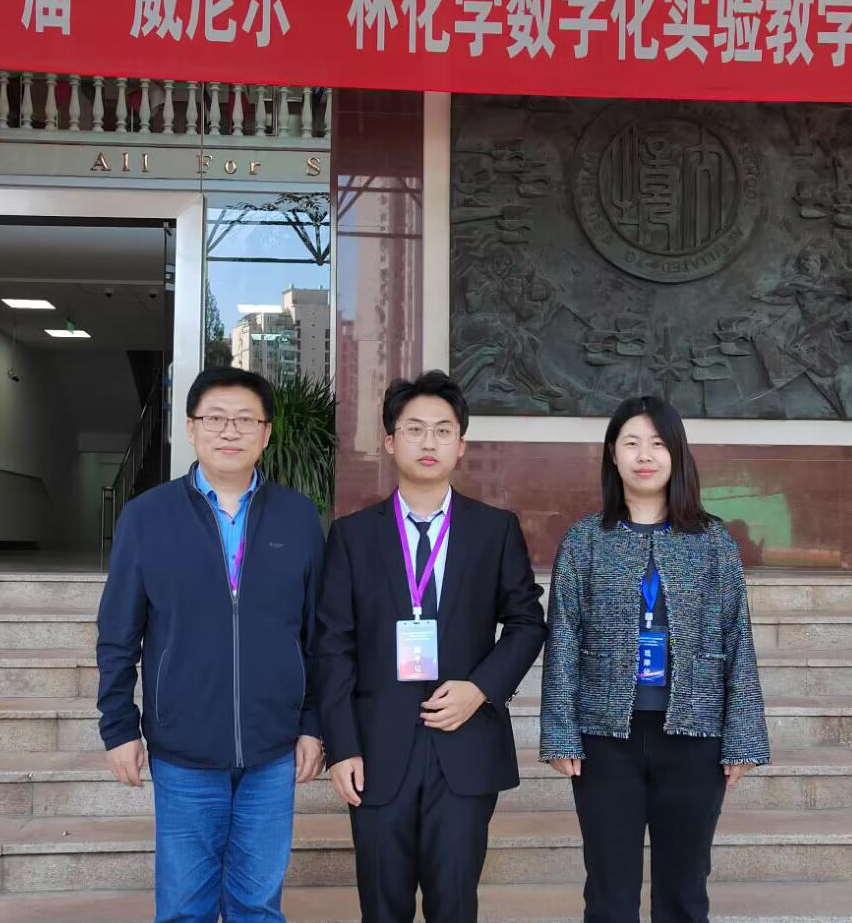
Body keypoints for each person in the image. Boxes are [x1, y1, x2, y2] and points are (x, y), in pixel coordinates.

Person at [95, 366, 326, 923]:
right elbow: (119, 633)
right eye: (215, 418)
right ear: (191, 428)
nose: (229, 431)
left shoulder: (298, 517)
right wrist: (119, 727)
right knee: (184, 908)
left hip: (273, 748)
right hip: (184, 747)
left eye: (245, 420)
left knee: (257, 906)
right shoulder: (147, 517)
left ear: (266, 433)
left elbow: (317, 633)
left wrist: (313, 723)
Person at [316, 370, 547, 923]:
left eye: (443, 430)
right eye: (414, 429)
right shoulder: (353, 535)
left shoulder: (494, 529)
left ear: (460, 445)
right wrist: (341, 746)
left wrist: (481, 688)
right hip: (377, 748)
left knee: (454, 905)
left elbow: (526, 622)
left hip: (465, 746)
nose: (429, 441)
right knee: (382, 908)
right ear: (390, 441)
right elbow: (333, 646)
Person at [539, 395, 771, 923]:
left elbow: (737, 638)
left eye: (658, 443)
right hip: (604, 742)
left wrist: (742, 736)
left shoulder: (713, 542)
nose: (645, 456)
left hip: (694, 739)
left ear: (677, 454)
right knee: (609, 896)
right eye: (632, 443)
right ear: (613, 454)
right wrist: (559, 732)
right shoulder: (584, 540)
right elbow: (564, 639)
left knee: (684, 894)